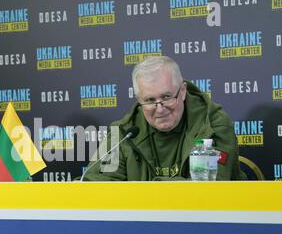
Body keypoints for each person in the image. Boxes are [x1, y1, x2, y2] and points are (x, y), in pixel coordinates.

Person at [81, 56, 246, 181]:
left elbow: (214, 189)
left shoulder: (213, 123)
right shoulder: (124, 131)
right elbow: (96, 186)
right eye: (150, 100)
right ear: (139, 100)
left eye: (166, 97)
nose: (160, 109)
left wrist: (151, 191)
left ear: (182, 91)